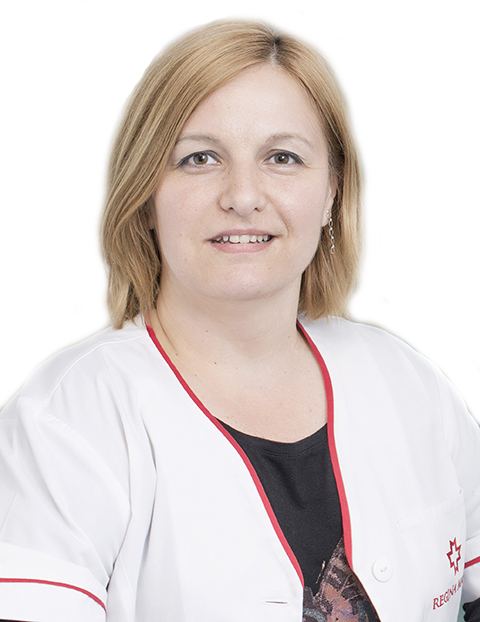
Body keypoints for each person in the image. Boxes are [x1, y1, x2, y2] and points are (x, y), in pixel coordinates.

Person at [0, 12, 479, 622]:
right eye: (199, 158)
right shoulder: (64, 425)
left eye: (283, 157)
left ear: (332, 191)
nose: (243, 196)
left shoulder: (413, 387)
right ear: (144, 194)